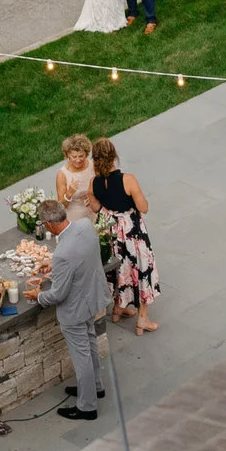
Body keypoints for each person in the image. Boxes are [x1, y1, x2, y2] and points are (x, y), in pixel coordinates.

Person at [31, 198, 111, 422]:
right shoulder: (85, 226)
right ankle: (95, 386)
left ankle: (87, 407)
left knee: (81, 356)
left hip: (75, 309)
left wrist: (38, 296)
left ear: (48, 224)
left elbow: (58, 294)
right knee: (90, 342)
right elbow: (81, 258)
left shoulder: (63, 253)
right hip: (92, 297)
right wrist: (55, 265)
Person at [89, 136, 160, 334]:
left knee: (117, 268)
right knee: (140, 269)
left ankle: (118, 308)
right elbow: (143, 207)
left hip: (110, 231)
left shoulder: (94, 182)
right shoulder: (127, 180)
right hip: (131, 233)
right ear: (114, 157)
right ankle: (142, 319)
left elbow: (95, 207)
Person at [55, 133, 98, 217]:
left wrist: (95, 196)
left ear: (86, 153)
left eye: (81, 156)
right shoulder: (62, 174)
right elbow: (61, 206)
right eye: (74, 157)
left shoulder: (93, 165)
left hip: (95, 210)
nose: (78, 160)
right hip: (75, 216)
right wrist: (69, 194)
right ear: (68, 155)